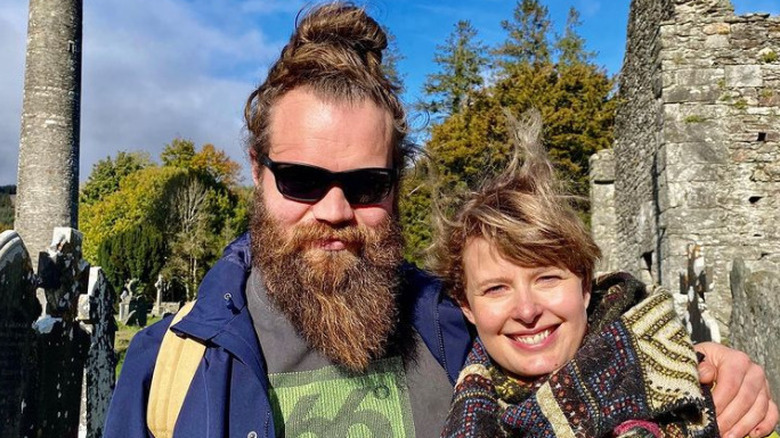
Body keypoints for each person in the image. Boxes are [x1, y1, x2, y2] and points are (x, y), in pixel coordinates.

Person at [103, 3, 777, 438]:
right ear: (258, 169)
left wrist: (711, 377)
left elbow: (604, 361)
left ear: (396, 184)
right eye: (303, 180)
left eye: (365, 184)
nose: (334, 211)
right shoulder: (169, 368)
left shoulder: (460, 330)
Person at [429, 110, 741, 437]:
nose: (527, 310)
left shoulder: (709, 392)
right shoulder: (458, 412)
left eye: (546, 278)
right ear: (467, 306)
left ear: (585, 285)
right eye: (496, 289)